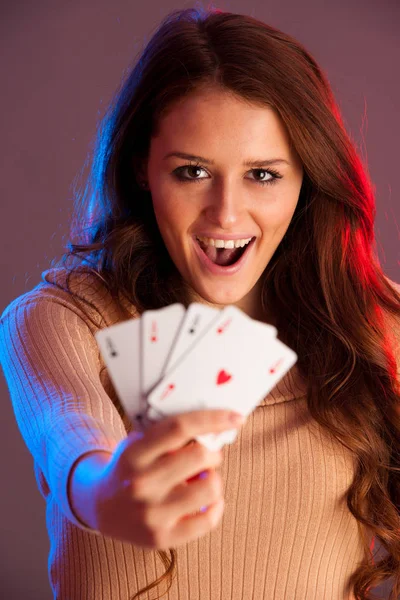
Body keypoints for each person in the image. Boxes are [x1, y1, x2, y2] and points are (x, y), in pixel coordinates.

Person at [1, 6, 400, 600]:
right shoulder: (59, 319)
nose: (227, 214)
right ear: (142, 168)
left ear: (307, 179)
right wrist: (104, 493)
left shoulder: (374, 326)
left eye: (263, 175)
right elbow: (68, 438)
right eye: (192, 171)